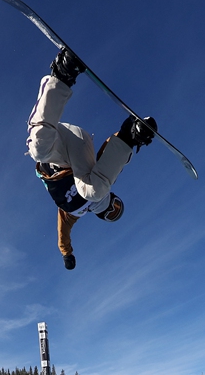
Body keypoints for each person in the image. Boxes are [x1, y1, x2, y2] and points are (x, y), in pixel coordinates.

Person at [26, 49, 157, 269]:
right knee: (94, 191)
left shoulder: (71, 216)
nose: (111, 208)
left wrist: (66, 254)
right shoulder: (98, 189)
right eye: (116, 205)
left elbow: (63, 236)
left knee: (37, 148)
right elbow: (106, 156)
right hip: (77, 143)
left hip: (56, 155)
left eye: (111, 213)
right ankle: (131, 134)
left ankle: (63, 75)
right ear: (114, 197)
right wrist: (127, 138)